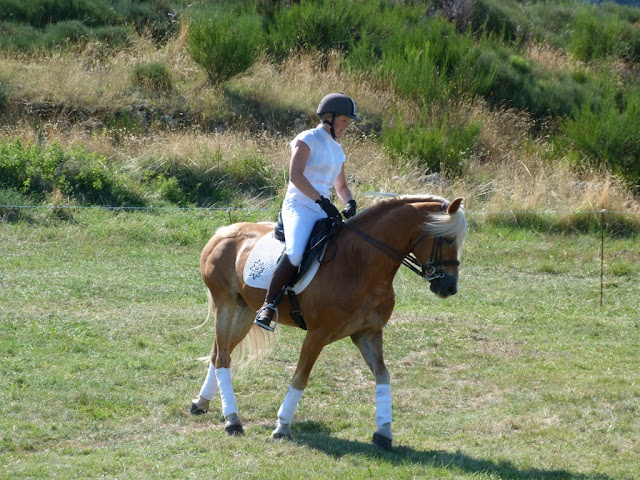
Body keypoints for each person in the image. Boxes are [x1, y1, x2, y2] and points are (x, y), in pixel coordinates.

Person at [254, 93, 361, 331]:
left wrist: (350, 202)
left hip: (325, 210)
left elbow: (341, 186)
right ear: (330, 118)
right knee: (294, 253)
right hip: (299, 206)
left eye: (349, 122)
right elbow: (296, 176)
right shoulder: (307, 139)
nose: (347, 126)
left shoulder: (337, 150)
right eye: (345, 121)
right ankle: (268, 305)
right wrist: (320, 201)